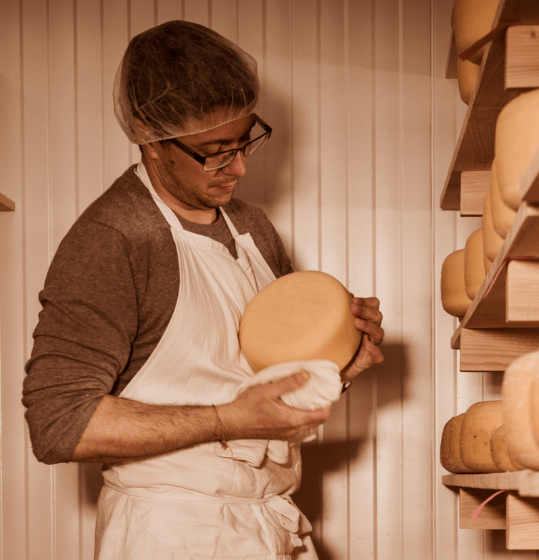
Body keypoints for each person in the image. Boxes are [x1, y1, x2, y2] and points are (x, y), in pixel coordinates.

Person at [21, 20, 386, 560]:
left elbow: (259, 399)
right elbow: (57, 423)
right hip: (172, 533)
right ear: (149, 133)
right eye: (214, 151)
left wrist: (336, 370)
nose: (237, 167)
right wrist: (227, 420)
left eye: (244, 142)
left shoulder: (253, 229)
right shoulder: (114, 238)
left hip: (268, 522)